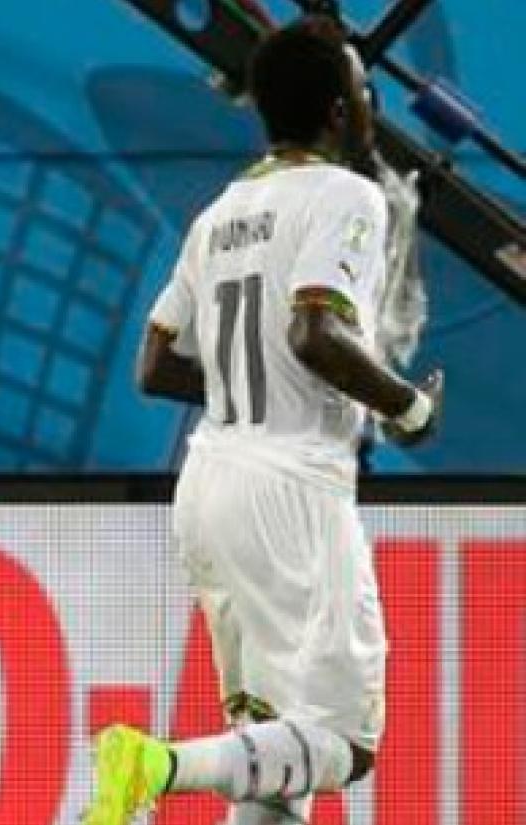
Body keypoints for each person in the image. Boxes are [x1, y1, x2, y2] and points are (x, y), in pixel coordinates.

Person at [86, 16, 443, 825]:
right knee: (344, 742)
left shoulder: (220, 212)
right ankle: (156, 763)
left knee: (271, 747)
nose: (369, 96)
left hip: (211, 481)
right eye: (359, 84)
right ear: (340, 111)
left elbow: (155, 365)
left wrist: (255, 389)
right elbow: (314, 331)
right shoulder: (347, 195)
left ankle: (162, 766)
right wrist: (410, 407)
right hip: (291, 493)